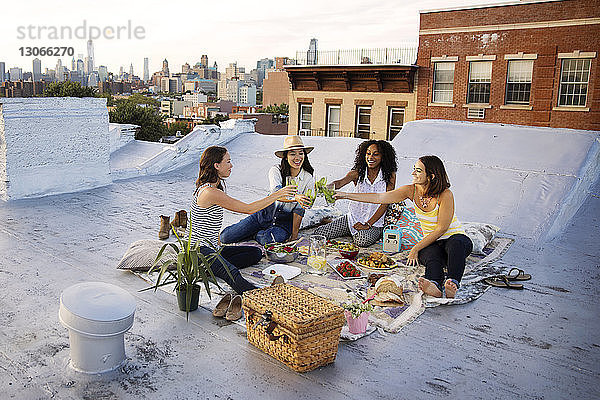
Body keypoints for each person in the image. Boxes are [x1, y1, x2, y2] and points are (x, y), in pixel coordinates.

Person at [334, 155, 473, 298]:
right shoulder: (411, 190)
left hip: (456, 242)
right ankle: (435, 284)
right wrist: (346, 195)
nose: (413, 173)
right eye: (414, 169)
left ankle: (452, 282)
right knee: (431, 255)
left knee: (455, 244)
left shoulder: (445, 195)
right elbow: (380, 197)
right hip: (433, 243)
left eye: (418, 171)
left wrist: (415, 248)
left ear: (431, 176)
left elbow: (441, 229)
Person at [190, 145, 296, 294]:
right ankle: (260, 294)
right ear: (216, 165)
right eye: (228, 162)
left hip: (214, 248)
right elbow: (248, 209)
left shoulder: (216, 187)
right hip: (199, 252)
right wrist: (277, 195)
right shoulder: (209, 192)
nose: (231, 165)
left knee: (255, 253)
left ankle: (212, 270)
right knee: (233, 273)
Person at [220, 135, 314, 246]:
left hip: (283, 224)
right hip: (262, 215)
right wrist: (295, 198)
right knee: (225, 237)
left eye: (301, 153)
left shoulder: (308, 178)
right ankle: (253, 231)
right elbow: (276, 193)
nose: (298, 157)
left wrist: (294, 236)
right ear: (285, 156)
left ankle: (255, 235)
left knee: (268, 240)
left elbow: (299, 210)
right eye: (293, 154)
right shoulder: (276, 170)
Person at [314, 140, 397, 247]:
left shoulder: (389, 176)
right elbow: (340, 182)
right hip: (352, 219)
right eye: (368, 153)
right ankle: (346, 229)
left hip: (374, 223)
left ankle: (372, 233)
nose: (371, 157)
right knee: (319, 234)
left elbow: (385, 203)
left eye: (376, 154)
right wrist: (326, 187)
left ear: (383, 157)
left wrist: (368, 224)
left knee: (361, 240)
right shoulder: (358, 172)